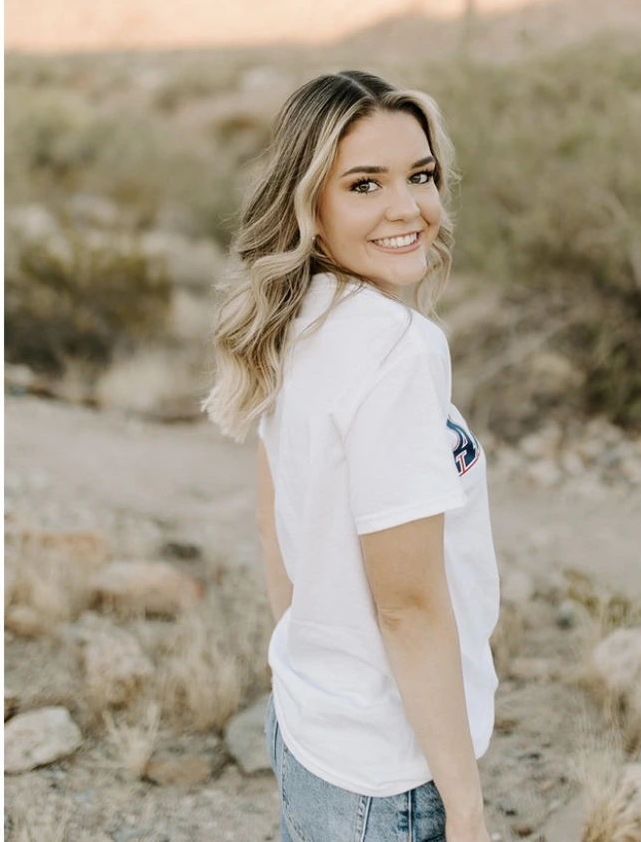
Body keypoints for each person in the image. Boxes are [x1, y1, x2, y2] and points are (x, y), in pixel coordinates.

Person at [202, 70, 501, 842]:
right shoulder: (396, 350)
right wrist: (465, 810)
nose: (408, 208)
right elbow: (407, 605)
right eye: (364, 185)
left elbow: (276, 525)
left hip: (312, 723)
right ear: (310, 204)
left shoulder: (296, 314)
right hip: (387, 775)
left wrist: (319, 664)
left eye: (421, 175)